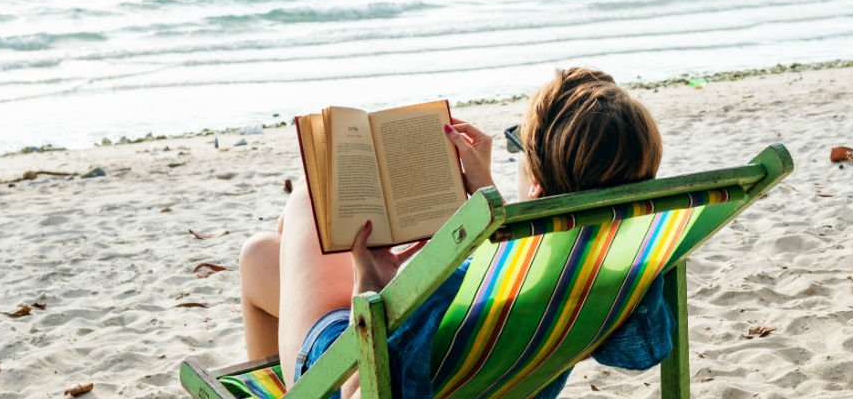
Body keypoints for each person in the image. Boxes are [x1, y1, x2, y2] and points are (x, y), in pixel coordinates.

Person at [238, 68, 672, 399]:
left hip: (342, 371)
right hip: (492, 379)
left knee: (302, 205)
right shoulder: (624, 270)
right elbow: (637, 352)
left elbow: (362, 389)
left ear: (536, 185)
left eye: (517, 146)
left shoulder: (452, 292)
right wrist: (489, 205)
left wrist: (372, 292)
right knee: (263, 255)